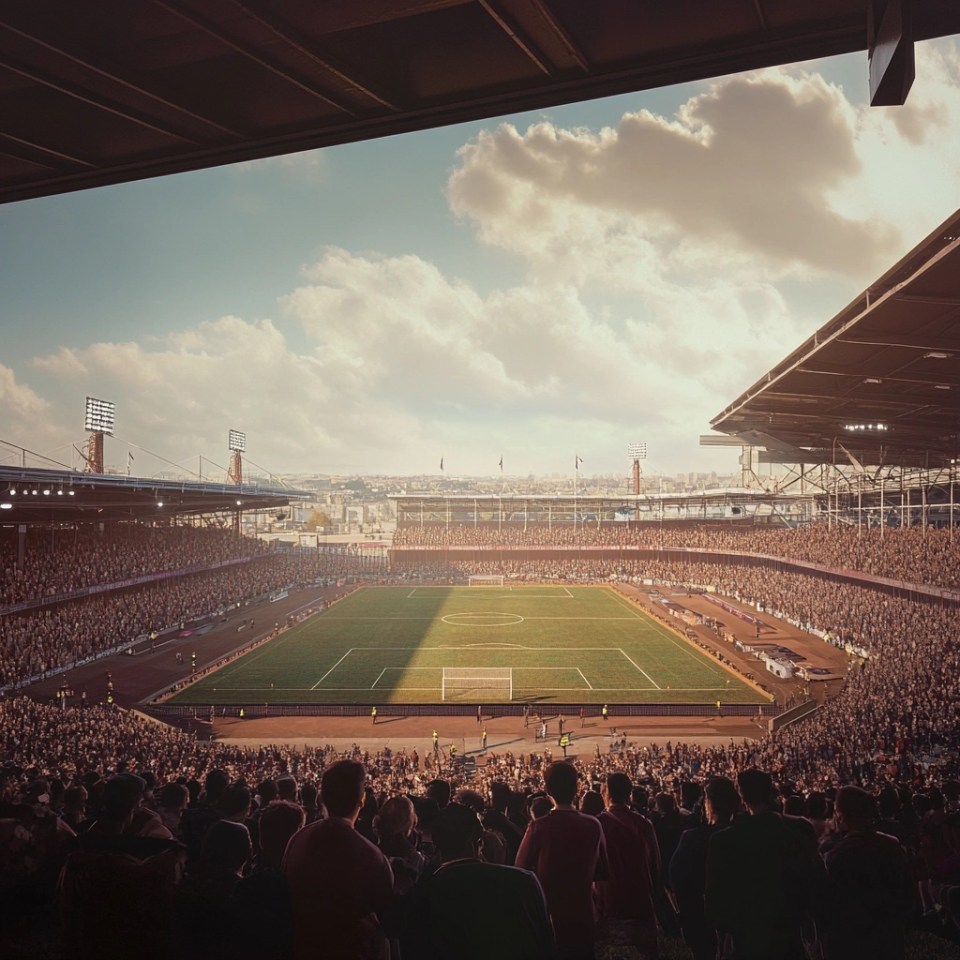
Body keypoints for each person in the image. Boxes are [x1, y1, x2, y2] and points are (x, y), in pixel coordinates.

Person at [402, 802, 555, 960]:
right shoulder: (524, 882)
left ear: (435, 841)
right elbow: (546, 947)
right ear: (479, 839)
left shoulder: (423, 894)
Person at [705, 769, 823, 960]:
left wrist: (726, 933)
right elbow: (815, 883)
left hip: (747, 938)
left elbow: (715, 901)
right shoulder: (800, 829)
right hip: (789, 934)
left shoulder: (724, 840)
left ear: (741, 795)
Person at [283, 759, 394, 960]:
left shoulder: (297, 840)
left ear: (321, 798)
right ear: (362, 800)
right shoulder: (372, 857)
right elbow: (388, 918)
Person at [516, 760, 608, 959]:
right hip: (583, 920)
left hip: (549, 922)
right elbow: (602, 872)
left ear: (547, 790)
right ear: (577, 788)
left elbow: (520, 870)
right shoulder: (593, 825)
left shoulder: (538, 827)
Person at [819, 785, 917, 960]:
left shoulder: (836, 856)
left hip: (853, 943)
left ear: (840, 816)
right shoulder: (892, 846)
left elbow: (829, 908)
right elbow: (908, 892)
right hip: (889, 938)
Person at [595, 772, 661, 959]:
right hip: (640, 899)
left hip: (609, 901)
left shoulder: (598, 824)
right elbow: (655, 864)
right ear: (629, 794)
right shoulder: (644, 824)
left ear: (606, 794)